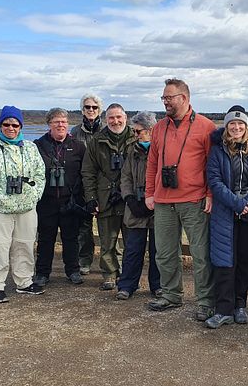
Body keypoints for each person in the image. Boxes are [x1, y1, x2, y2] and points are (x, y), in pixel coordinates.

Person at [145, 78, 216, 321]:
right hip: (164, 201)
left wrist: (210, 194)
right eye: (163, 98)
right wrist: (149, 193)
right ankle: (171, 295)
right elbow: (152, 162)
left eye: (169, 97)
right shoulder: (158, 128)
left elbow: (212, 165)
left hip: (194, 200)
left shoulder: (206, 127)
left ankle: (206, 301)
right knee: (164, 253)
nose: (165, 101)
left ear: (184, 98)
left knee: (200, 254)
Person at [203, 107, 248, 329]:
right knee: (224, 262)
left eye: (240, 124)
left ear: (246, 127)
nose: (236, 128)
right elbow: (214, 180)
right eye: (232, 124)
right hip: (225, 214)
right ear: (227, 126)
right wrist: (237, 204)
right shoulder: (218, 150)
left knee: (243, 261)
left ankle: (240, 304)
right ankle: (223, 309)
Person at [0, 105, 46, 303]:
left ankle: (24, 281)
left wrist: (33, 196)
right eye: (6, 124)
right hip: (1, 209)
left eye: (15, 124)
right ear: (0, 125)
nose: (11, 128)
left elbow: (40, 175)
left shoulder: (31, 148)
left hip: (26, 208)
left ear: (20, 126)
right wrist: (2, 198)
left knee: (24, 245)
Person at [81, 103, 137, 291]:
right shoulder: (97, 141)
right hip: (106, 197)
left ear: (125, 117)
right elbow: (88, 171)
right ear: (106, 120)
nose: (115, 121)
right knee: (107, 241)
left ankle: (130, 276)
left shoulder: (136, 137)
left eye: (118, 117)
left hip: (130, 198)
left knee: (132, 242)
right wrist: (91, 198)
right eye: (111, 118)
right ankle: (110, 275)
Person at [33, 108, 86, 287]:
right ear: (49, 124)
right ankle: (42, 273)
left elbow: (85, 174)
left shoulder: (78, 146)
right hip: (46, 201)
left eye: (63, 121)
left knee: (71, 238)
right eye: (56, 121)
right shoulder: (38, 145)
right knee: (45, 238)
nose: (60, 125)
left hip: (70, 201)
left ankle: (73, 270)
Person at [116, 111, 161, 300]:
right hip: (135, 206)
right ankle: (127, 285)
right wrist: (129, 199)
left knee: (158, 251)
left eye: (138, 131)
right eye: (134, 131)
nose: (135, 135)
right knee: (133, 249)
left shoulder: (162, 149)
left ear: (150, 130)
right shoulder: (131, 150)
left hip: (158, 207)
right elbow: (125, 176)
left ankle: (158, 286)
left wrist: (155, 199)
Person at [71, 93, 104, 275]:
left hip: (105, 186)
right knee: (83, 228)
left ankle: (111, 264)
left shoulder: (107, 130)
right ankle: (84, 260)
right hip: (82, 186)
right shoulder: (75, 132)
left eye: (94, 107)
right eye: (87, 107)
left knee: (108, 228)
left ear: (100, 110)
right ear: (82, 110)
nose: (90, 110)